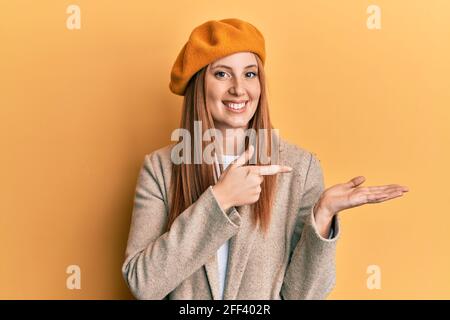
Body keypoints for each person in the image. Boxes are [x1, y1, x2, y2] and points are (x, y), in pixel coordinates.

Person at [121, 18, 409, 300]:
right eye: (222, 74)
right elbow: (143, 285)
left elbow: (301, 296)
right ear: (199, 84)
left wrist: (322, 216)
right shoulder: (160, 170)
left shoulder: (301, 168)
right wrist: (219, 200)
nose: (238, 88)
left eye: (249, 74)